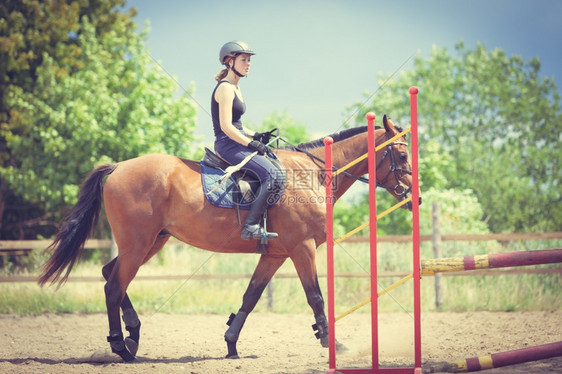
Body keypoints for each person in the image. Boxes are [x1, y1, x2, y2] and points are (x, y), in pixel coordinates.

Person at [211, 40, 283, 241]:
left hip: (235, 140)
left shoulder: (236, 87)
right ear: (230, 62)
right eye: (244, 59)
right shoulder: (225, 88)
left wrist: (256, 135)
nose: (248, 63)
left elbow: (238, 124)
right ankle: (250, 226)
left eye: (249, 60)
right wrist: (249, 143)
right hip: (227, 145)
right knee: (274, 175)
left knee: (276, 168)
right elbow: (226, 126)